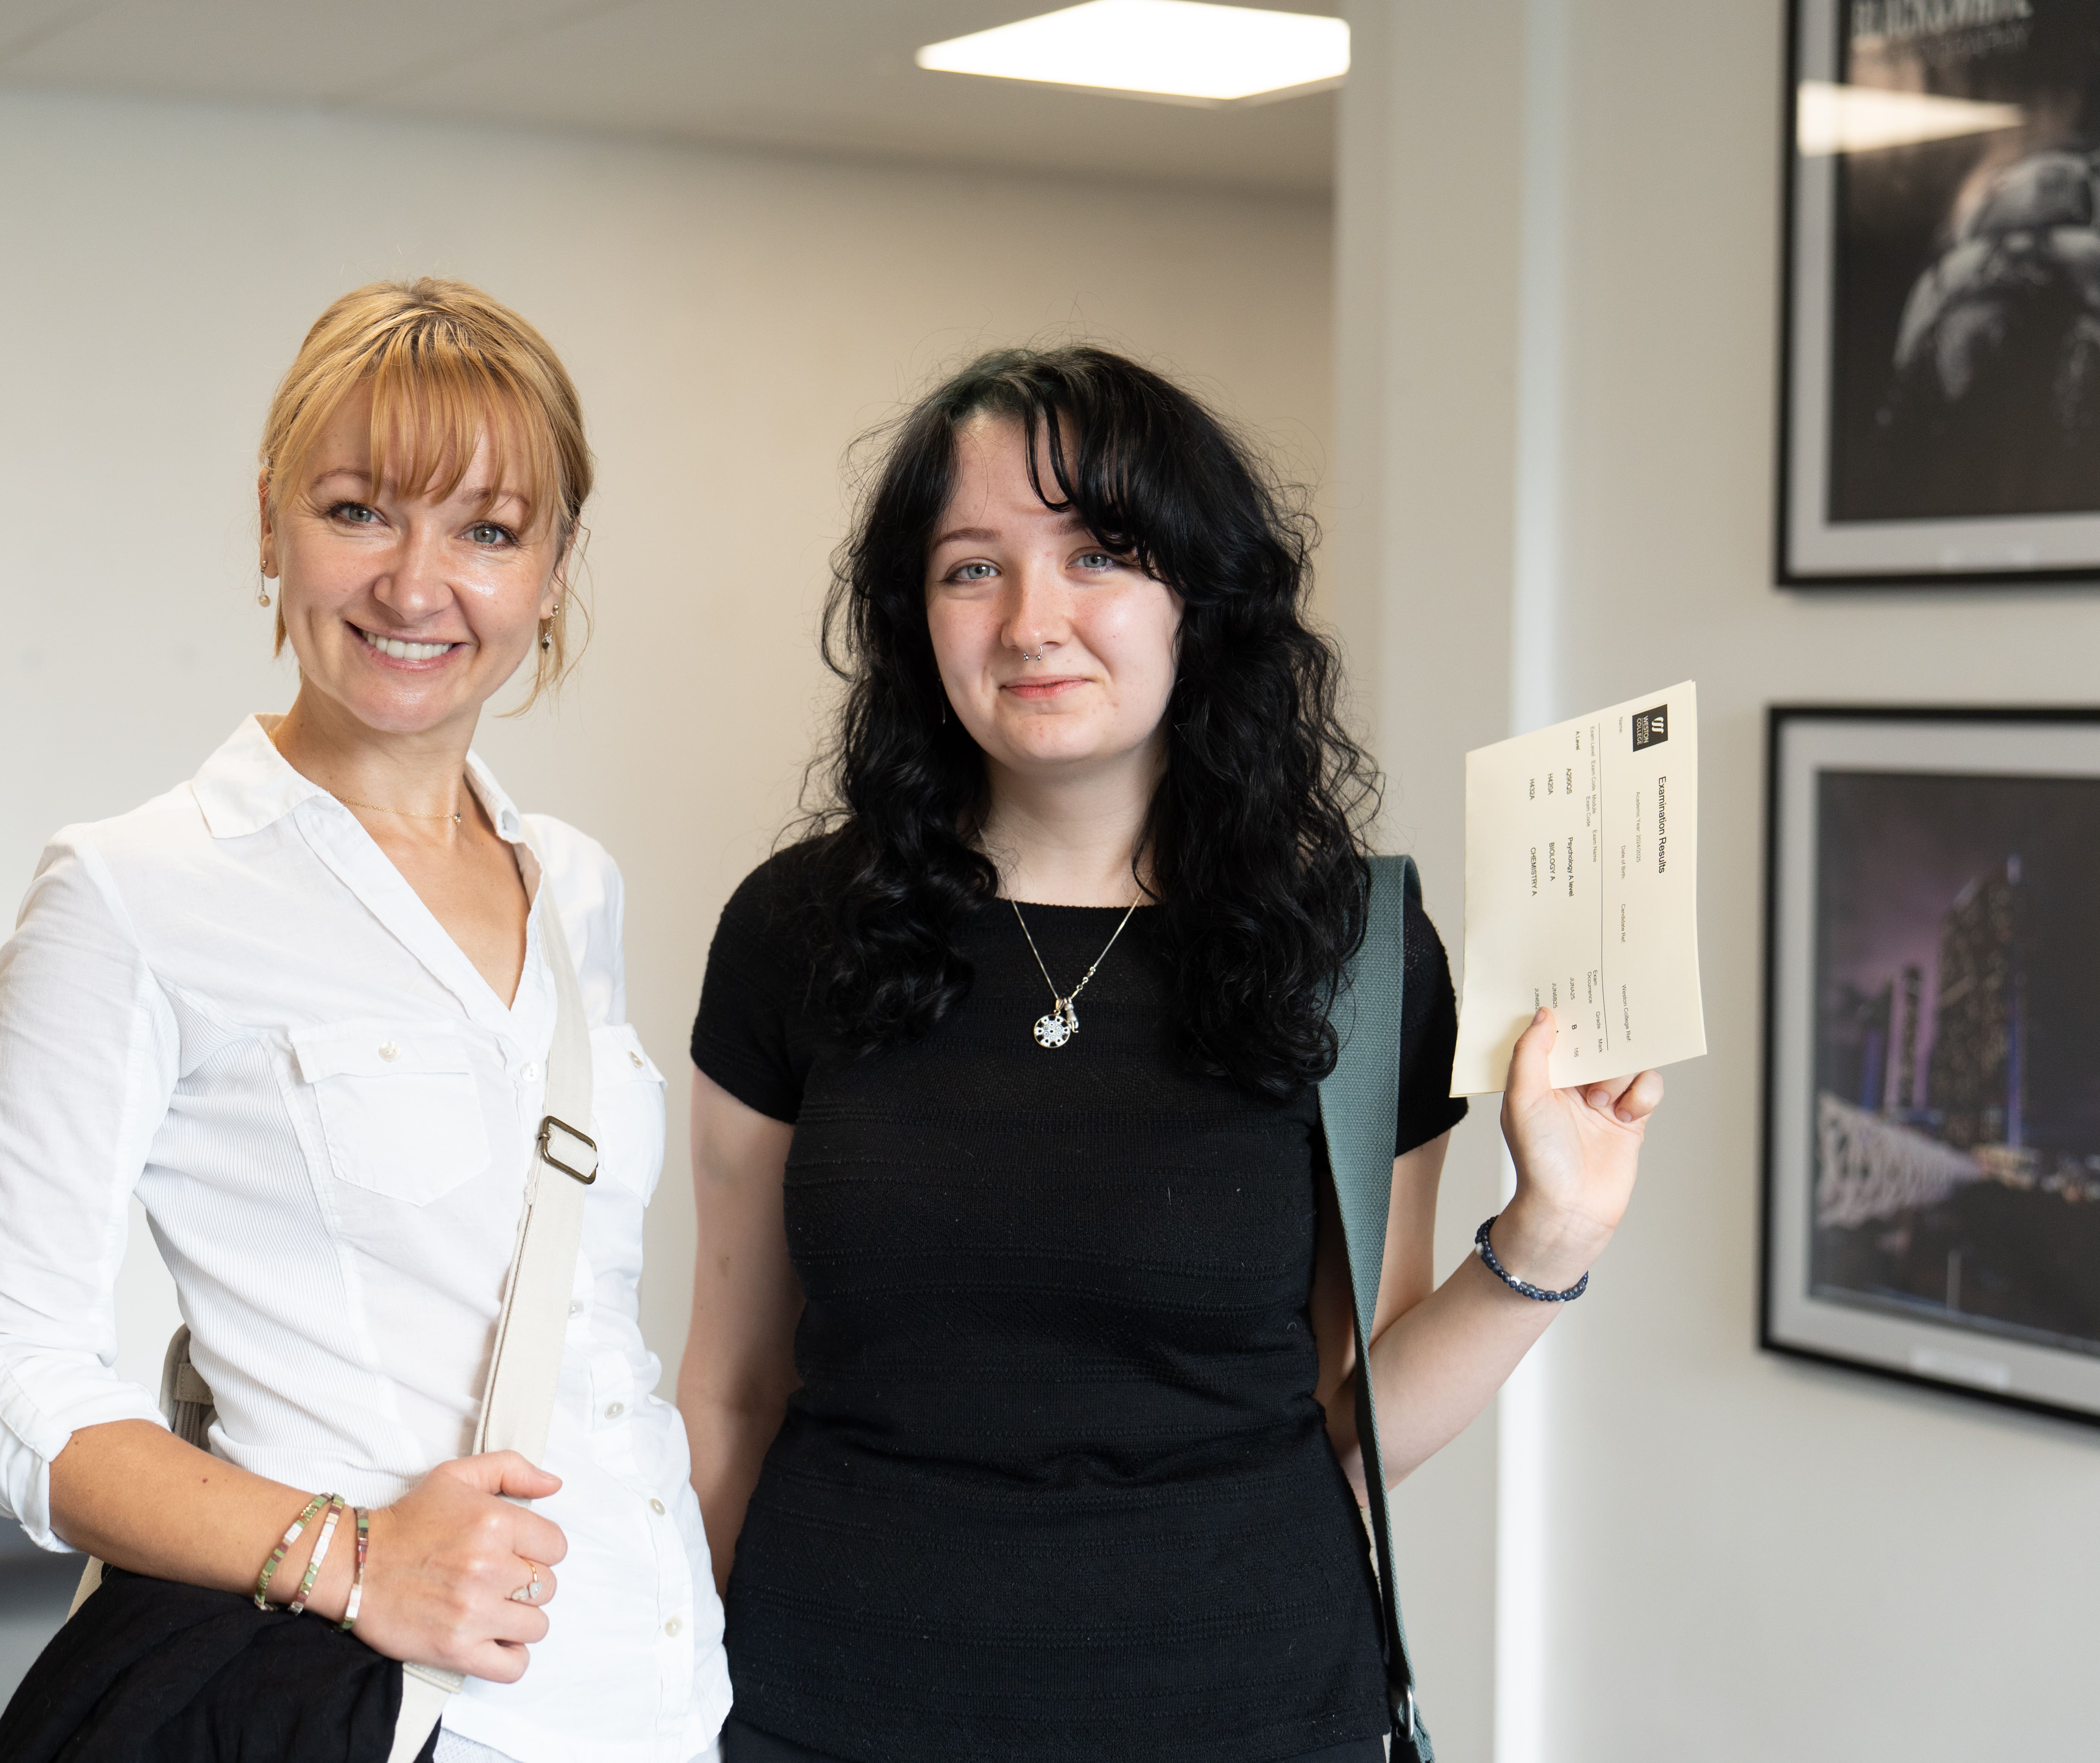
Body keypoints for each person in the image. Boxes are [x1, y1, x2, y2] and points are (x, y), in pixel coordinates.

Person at [678, 346, 1663, 1763]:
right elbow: (729, 1389)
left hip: (1247, 1714)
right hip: (832, 1709)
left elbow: (1356, 1413)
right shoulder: (799, 930)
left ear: (1202, 597)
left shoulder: (1352, 949)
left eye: (1100, 555)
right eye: (972, 567)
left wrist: (1556, 1229)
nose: (1033, 620)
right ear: (917, 617)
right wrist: (669, 1689)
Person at [0, 278, 729, 1763]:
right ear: (269, 523)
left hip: (658, 1691)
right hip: (375, 1708)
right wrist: (347, 1553)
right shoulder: (134, 889)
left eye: (488, 531)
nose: (418, 588)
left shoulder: (577, 889)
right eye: (360, 510)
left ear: (554, 570)